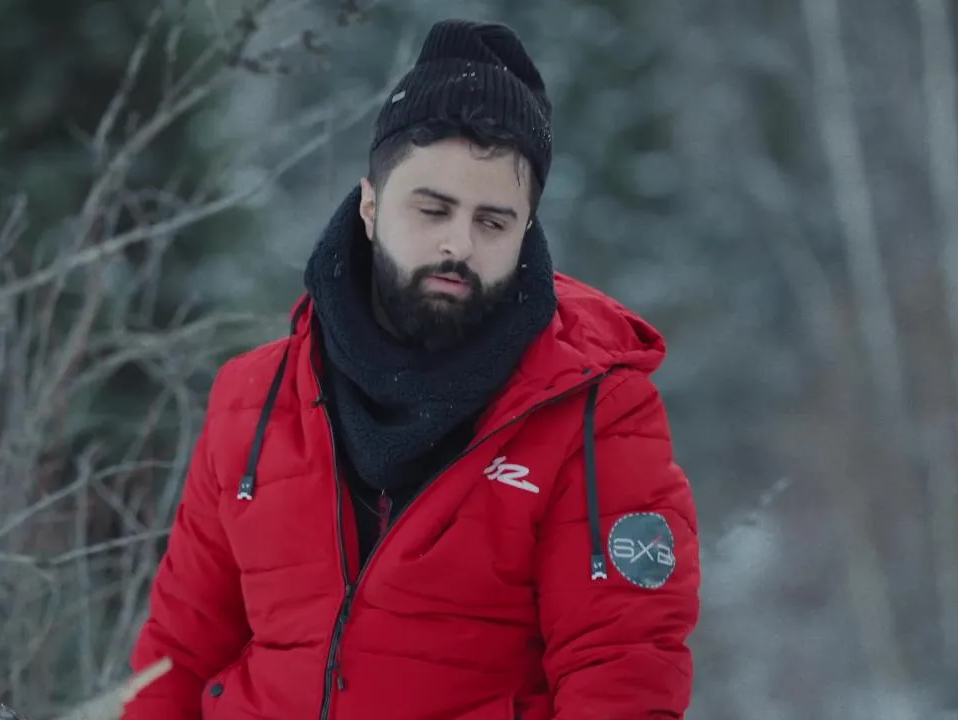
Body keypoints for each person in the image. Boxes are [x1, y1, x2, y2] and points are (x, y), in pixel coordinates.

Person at [124, 18, 701, 720]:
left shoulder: (597, 411)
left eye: (493, 222)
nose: (459, 243)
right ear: (371, 206)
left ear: (526, 231)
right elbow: (179, 655)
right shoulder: (253, 398)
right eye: (432, 210)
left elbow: (622, 672)